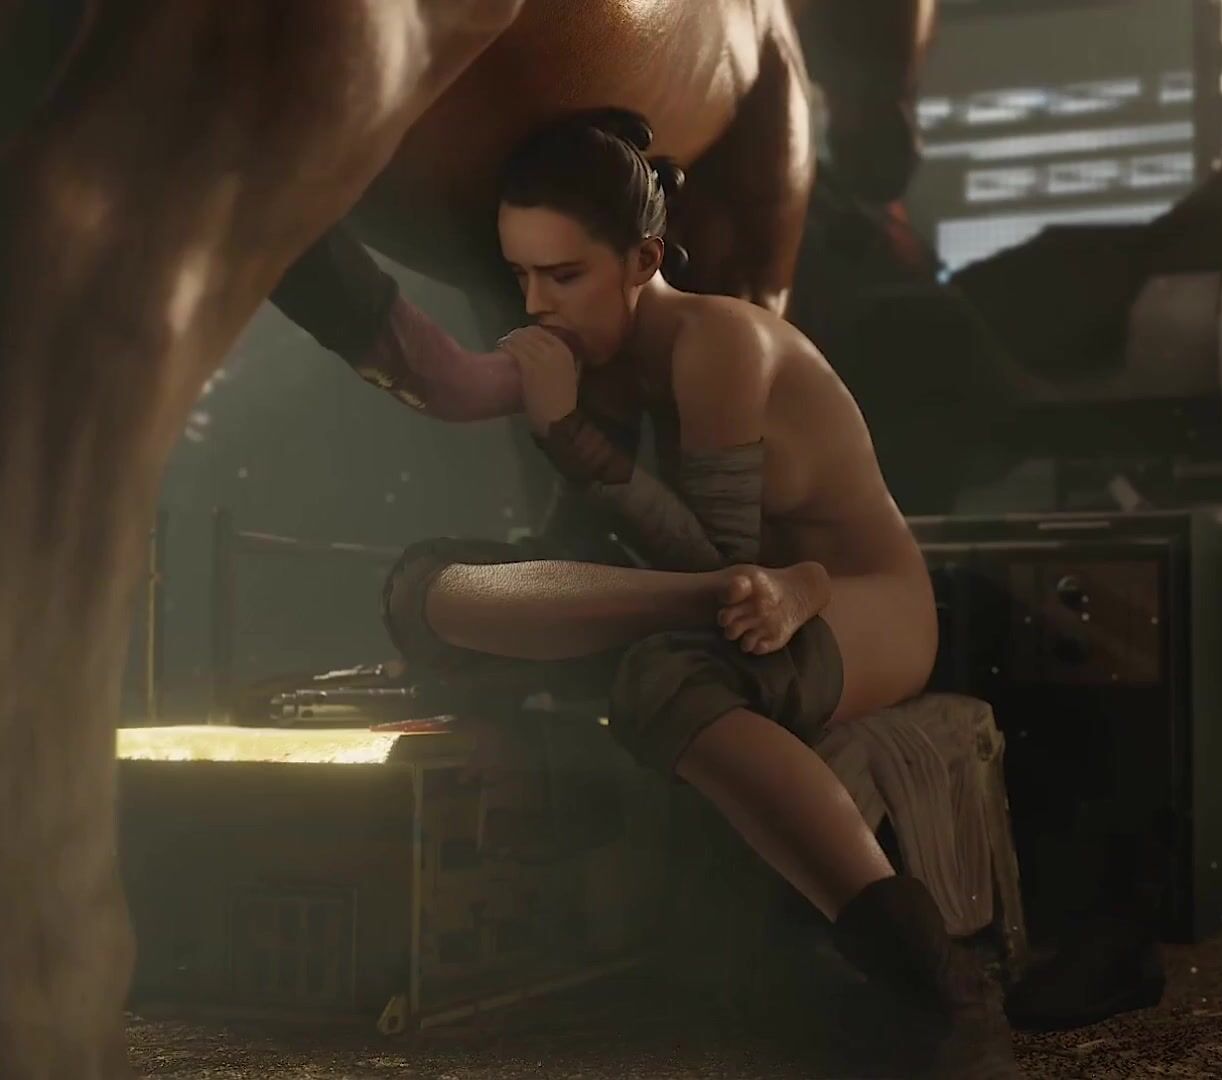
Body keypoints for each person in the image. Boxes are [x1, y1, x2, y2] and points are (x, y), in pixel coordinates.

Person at [269, 107, 1017, 1079]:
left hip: (863, 604)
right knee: (423, 588)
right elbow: (658, 567)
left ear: (644, 259)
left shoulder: (719, 345)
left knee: (670, 679)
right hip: (728, 595)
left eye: (564, 276)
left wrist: (569, 439)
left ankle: (940, 988)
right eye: (521, 276)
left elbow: (711, 556)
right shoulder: (588, 352)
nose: (537, 304)